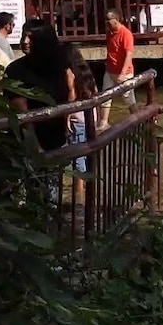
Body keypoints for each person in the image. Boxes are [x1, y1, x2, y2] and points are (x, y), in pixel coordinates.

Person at [4, 25, 70, 152]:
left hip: (57, 139)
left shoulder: (61, 65)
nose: (25, 41)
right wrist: (35, 146)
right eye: (23, 36)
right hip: (28, 146)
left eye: (31, 38)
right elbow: (21, 110)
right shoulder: (15, 69)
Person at [61, 43, 97, 205]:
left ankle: (79, 197)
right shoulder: (86, 71)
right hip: (89, 118)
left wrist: (66, 118)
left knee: (78, 159)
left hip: (77, 120)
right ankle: (86, 193)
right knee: (85, 155)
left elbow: (71, 95)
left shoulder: (70, 72)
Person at [97, 8, 137, 132]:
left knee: (129, 99)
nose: (107, 23)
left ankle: (138, 120)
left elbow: (128, 55)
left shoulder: (126, 33)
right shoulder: (109, 33)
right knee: (105, 96)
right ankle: (103, 122)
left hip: (123, 72)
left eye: (109, 20)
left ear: (116, 19)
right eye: (106, 20)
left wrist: (123, 73)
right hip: (110, 70)